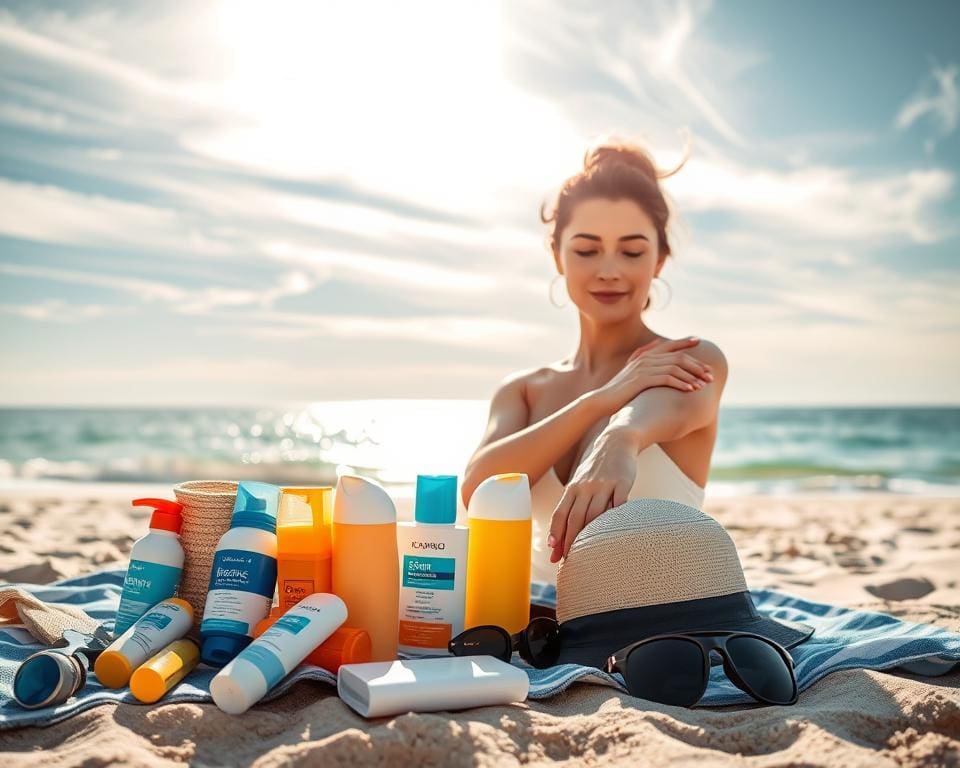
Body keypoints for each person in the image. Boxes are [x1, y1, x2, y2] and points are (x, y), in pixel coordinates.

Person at [461, 137, 728, 585]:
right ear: (557, 257)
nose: (609, 270)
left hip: (650, 633)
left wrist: (620, 437)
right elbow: (478, 491)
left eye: (632, 251)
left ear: (659, 260)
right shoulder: (524, 389)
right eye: (586, 250)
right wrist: (598, 402)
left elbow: (656, 414)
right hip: (534, 631)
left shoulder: (689, 357)